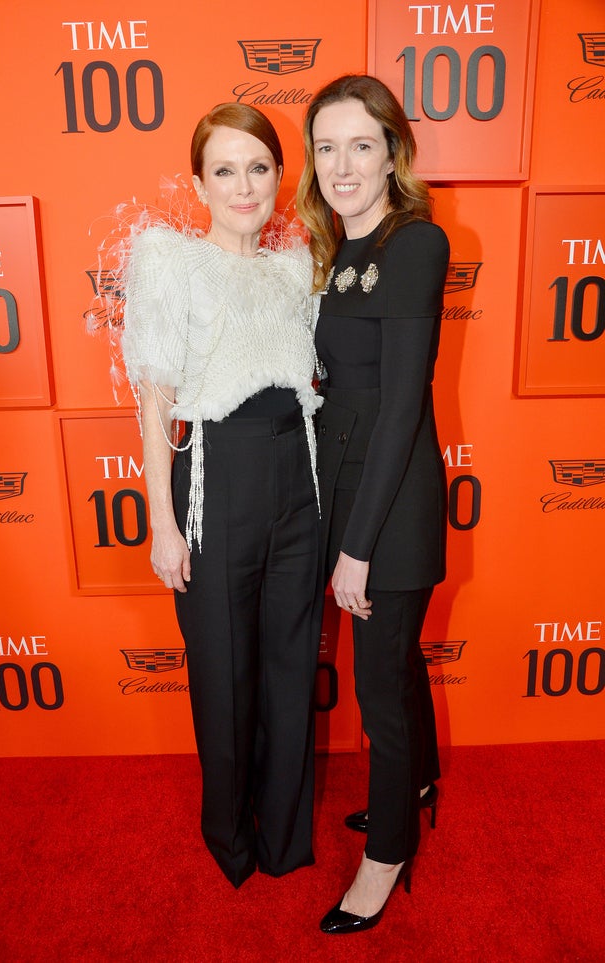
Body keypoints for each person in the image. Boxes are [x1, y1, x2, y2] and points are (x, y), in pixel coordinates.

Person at [121, 103, 323, 889]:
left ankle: (286, 839)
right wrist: (162, 524)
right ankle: (231, 839)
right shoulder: (170, 260)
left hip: (297, 484)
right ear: (200, 182)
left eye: (260, 167)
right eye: (226, 170)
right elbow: (154, 401)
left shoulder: (295, 266)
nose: (245, 186)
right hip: (213, 480)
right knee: (224, 673)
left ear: (281, 175)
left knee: (288, 668)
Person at [296, 74, 449, 934]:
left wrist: (356, 547)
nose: (342, 163)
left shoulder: (415, 243)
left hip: (388, 510)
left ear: (393, 150)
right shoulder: (339, 248)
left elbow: (399, 406)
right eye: (326, 146)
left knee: (378, 689)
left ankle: (386, 852)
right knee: (397, 664)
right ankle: (419, 781)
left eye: (361, 144)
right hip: (351, 492)